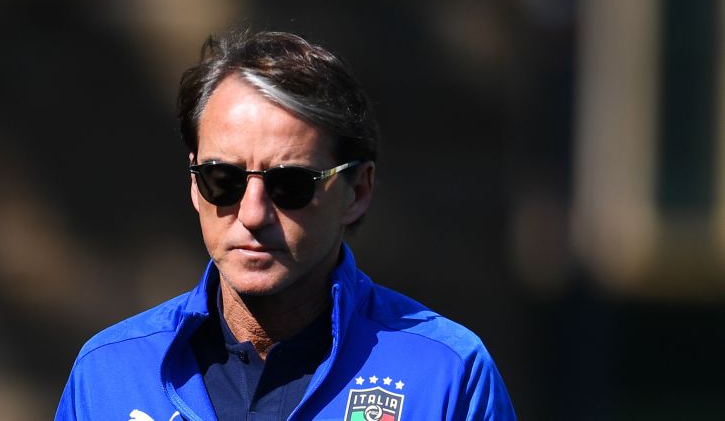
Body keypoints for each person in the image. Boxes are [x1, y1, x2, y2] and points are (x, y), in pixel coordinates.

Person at [54, 30, 516, 421]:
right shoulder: (107, 373)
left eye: (290, 185)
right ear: (194, 183)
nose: (253, 214)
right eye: (223, 179)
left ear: (357, 191)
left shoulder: (446, 374)